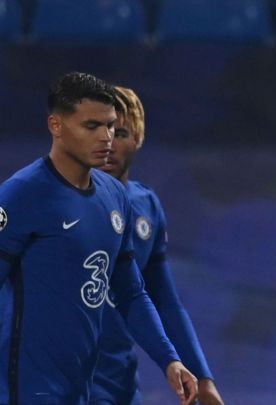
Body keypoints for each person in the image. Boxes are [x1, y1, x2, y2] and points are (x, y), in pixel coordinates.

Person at [0, 72, 197, 404]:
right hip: (25, 390)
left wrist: (169, 359)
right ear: (56, 126)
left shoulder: (113, 197)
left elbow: (131, 292)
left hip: (81, 389)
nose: (106, 137)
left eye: (110, 126)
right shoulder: (22, 194)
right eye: (92, 126)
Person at [88, 86, 224, 405]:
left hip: (120, 383)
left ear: (138, 139)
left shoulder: (146, 206)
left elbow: (165, 302)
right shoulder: (56, 201)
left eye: (121, 133)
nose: (108, 143)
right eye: (100, 130)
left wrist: (203, 378)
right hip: (65, 382)